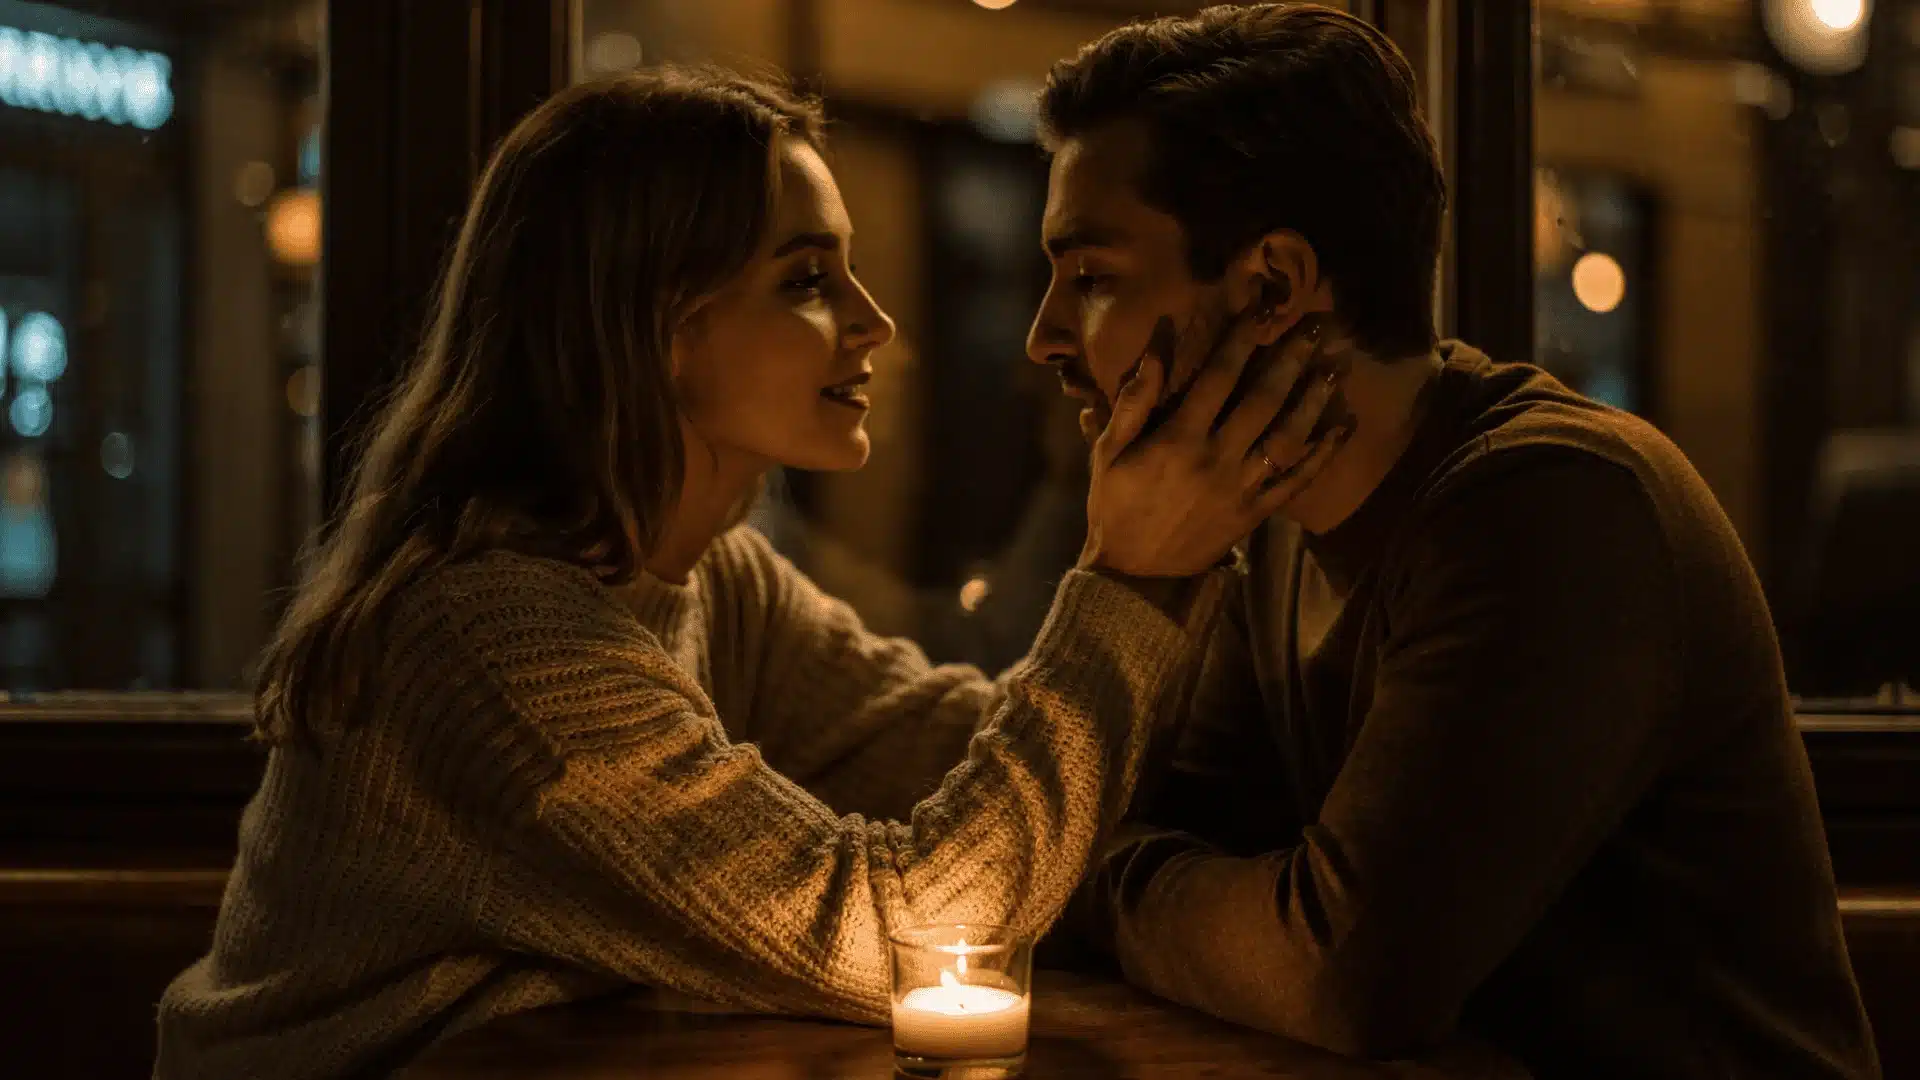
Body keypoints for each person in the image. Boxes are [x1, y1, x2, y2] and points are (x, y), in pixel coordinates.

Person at [153, 67, 1345, 1079]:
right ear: (651, 323)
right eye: (808, 280)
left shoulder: (706, 576)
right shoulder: (497, 646)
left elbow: (952, 738)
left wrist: (1205, 566)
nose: (875, 323)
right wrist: (1131, 578)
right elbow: (922, 927)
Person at [1026, 6, 1882, 1078]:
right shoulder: (1281, 529)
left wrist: (1119, 879)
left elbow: (1342, 978)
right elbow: (1162, 844)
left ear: (1273, 288)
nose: (1044, 336)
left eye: (1093, 277)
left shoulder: (1553, 509)